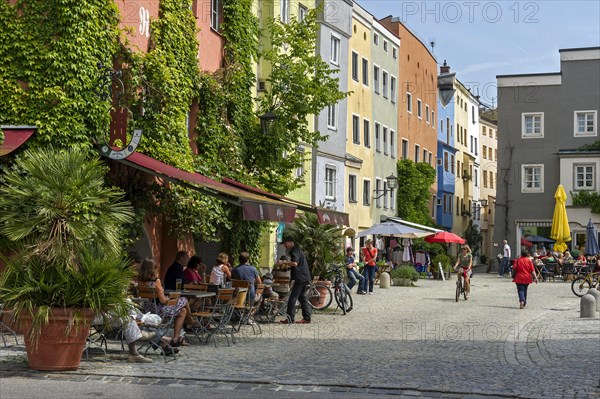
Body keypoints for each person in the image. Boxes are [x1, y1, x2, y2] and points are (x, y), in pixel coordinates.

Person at [138, 258, 196, 346]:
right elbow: (163, 301)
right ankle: (189, 321)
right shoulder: (156, 281)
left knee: (183, 310)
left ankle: (178, 335)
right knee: (184, 300)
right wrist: (168, 298)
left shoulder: (140, 282)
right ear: (153, 270)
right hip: (159, 310)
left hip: (147, 310)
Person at [277, 236, 312, 324]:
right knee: (302, 297)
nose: (285, 245)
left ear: (291, 242)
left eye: (285, 243)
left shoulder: (294, 250)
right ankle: (307, 318)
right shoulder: (298, 250)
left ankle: (290, 318)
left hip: (300, 277)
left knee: (292, 298)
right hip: (304, 276)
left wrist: (283, 262)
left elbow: (295, 263)